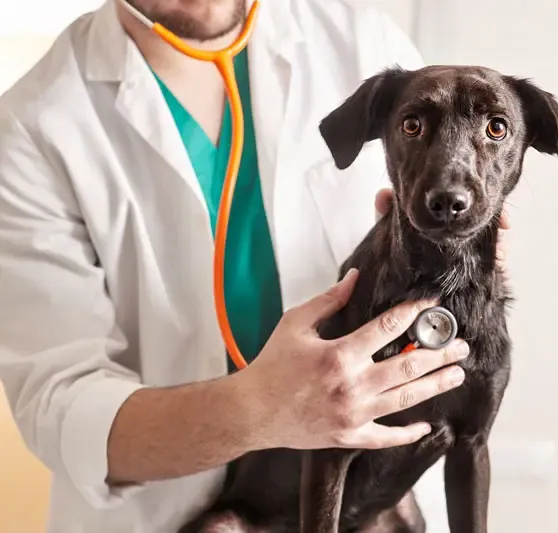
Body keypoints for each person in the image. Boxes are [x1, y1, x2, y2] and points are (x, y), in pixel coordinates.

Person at [0, 0, 509, 531]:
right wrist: (260, 409)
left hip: (370, 500)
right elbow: (61, 409)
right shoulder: (34, 125)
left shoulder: (363, 43)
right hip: (175, 515)